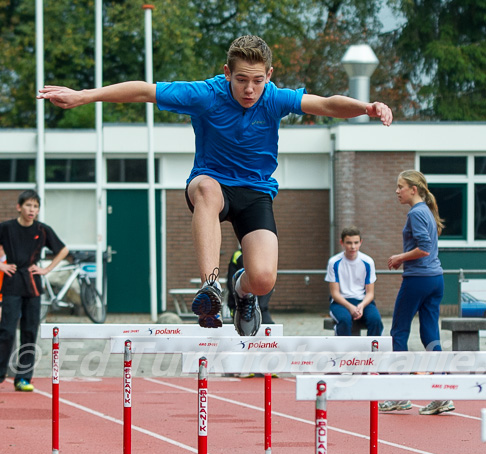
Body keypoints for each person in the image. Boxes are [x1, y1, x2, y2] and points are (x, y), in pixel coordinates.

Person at [38, 35, 393, 337]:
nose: (249, 89)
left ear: (269, 75)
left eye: (257, 80)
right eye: (241, 80)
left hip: (255, 191)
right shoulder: (205, 94)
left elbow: (327, 104)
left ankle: (240, 291)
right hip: (213, 185)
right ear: (227, 74)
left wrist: (367, 107)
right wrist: (84, 96)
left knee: (263, 279)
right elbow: (144, 91)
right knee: (206, 188)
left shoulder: (274, 98)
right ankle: (210, 286)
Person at [378, 170, 454, 416]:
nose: (397, 191)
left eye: (401, 186)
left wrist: (400, 257)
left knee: (398, 332)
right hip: (435, 280)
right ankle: (442, 394)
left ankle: (400, 395)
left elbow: (425, 248)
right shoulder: (427, 212)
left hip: (418, 280)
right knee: (430, 334)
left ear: (414, 189)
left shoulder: (416, 213)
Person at [0, 190, 69, 391]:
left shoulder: (43, 229)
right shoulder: (6, 228)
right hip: (12, 282)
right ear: (19, 207)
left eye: (36, 206)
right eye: (29, 205)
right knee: (6, 331)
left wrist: (46, 269)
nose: (32, 210)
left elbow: (63, 250)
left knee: (30, 332)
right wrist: (1, 265)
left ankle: (23, 378)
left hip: (33, 284)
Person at [325, 226, 383, 336]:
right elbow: (335, 293)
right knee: (344, 320)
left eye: (356, 243)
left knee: (375, 320)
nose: (353, 246)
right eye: (349, 243)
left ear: (361, 242)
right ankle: (344, 351)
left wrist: (361, 306)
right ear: (342, 243)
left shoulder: (368, 262)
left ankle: (372, 352)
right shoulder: (334, 262)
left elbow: (370, 293)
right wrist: (351, 307)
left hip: (363, 301)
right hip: (340, 302)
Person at [227, 248, 274, 324]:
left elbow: (268, 282)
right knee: (243, 329)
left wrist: (261, 305)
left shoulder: (264, 256)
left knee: (268, 327)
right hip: (240, 305)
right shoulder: (237, 255)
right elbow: (231, 282)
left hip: (261, 306)